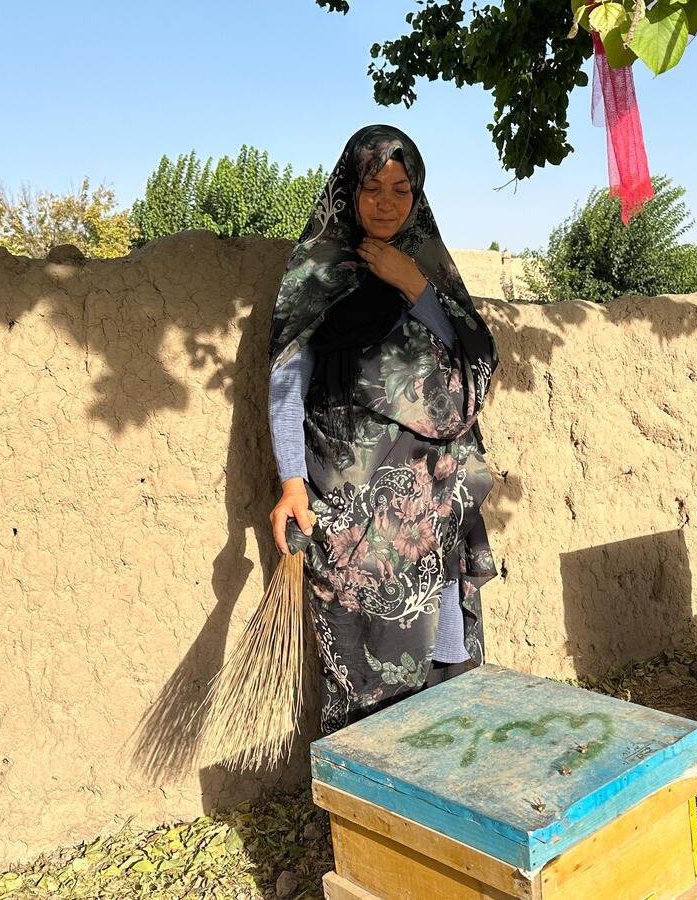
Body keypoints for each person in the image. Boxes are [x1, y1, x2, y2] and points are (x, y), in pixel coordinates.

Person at [266, 125, 498, 734]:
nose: (388, 203)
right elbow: (288, 381)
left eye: (403, 189)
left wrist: (411, 282)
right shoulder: (316, 274)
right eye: (374, 188)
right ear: (350, 189)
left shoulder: (429, 269)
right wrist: (291, 481)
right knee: (363, 652)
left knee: (438, 644)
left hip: (428, 496)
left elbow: (471, 355)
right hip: (350, 504)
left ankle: (443, 776)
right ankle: (370, 788)